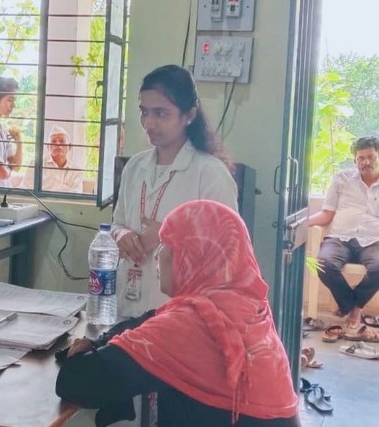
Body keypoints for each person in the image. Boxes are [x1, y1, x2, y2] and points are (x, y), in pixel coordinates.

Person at [56, 200, 300, 427]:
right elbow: (147, 320)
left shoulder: (186, 329)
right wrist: (100, 341)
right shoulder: (245, 306)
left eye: (167, 244)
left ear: (192, 255)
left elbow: (74, 382)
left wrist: (82, 353)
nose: (159, 255)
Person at [111, 64, 238, 321]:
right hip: (127, 305)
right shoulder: (135, 166)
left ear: (189, 115)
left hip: (181, 317)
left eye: (161, 113)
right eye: (143, 112)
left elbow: (229, 252)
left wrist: (170, 237)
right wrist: (121, 235)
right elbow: (117, 222)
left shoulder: (210, 173)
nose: (149, 123)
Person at [309, 136, 379, 332]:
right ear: (355, 160)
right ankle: (352, 306)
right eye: (361, 158)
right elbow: (326, 213)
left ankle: (354, 307)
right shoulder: (342, 178)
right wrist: (302, 223)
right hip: (340, 238)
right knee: (322, 264)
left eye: (371, 157)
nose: (366, 162)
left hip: (374, 241)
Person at [41, 125, 84, 193]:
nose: (58, 144)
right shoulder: (36, 165)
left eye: (62, 141)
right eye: (53, 141)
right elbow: (25, 191)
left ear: (69, 146)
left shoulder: (76, 171)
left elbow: (76, 197)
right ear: (48, 147)